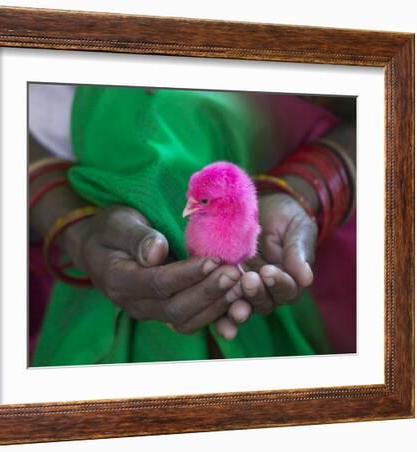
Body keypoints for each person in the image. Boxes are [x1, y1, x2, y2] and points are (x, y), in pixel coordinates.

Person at [28, 84, 356, 366]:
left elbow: (392, 100)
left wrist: (308, 188)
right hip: (68, 278)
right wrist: (76, 229)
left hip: (327, 280)